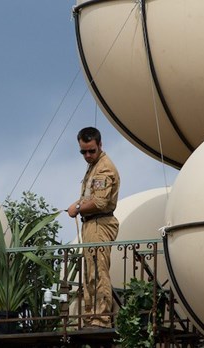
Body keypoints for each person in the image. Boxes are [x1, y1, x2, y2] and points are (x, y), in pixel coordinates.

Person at [68, 127, 120, 329]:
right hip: (92, 224)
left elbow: (99, 202)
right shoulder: (94, 166)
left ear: (100, 145)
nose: (87, 155)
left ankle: (101, 317)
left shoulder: (104, 168)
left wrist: (77, 207)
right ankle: (91, 316)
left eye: (91, 150)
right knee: (91, 271)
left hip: (100, 223)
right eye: (83, 152)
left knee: (98, 271)